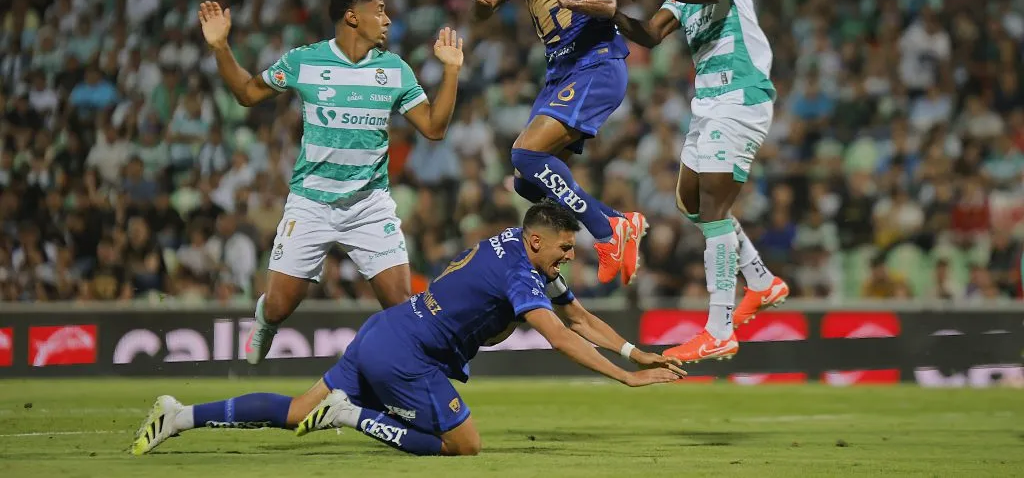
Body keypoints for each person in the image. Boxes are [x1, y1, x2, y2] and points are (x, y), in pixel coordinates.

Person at [131, 200, 685, 457]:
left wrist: (639, 353)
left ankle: (179, 416)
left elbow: (579, 316)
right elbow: (562, 337)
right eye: (566, 247)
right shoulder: (522, 272)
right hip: (408, 354)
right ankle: (350, 415)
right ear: (539, 240)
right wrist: (627, 380)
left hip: (386, 330)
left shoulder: (516, 251)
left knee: (298, 411)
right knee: (462, 445)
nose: (570, 256)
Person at [198, 0, 464, 364]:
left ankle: (412, 379)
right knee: (279, 306)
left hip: (369, 206)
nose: (388, 19)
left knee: (402, 305)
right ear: (353, 17)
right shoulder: (303, 61)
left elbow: (435, 129)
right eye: (380, 10)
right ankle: (265, 319)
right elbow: (247, 94)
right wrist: (220, 47)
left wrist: (451, 72)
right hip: (312, 204)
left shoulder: (394, 69)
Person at [612, 0, 789, 363]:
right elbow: (650, 34)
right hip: (709, 102)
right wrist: (606, 14)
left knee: (713, 209)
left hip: (740, 95)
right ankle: (763, 282)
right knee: (690, 202)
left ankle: (719, 328)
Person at [474, 0, 645, 286]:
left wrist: (573, 0)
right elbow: (489, 4)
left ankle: (605, 233)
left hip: (597, 64)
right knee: (527, 183)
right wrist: (483, 1)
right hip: (559, 75)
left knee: (525, 155)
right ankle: (620, 222)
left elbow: (607, 4)